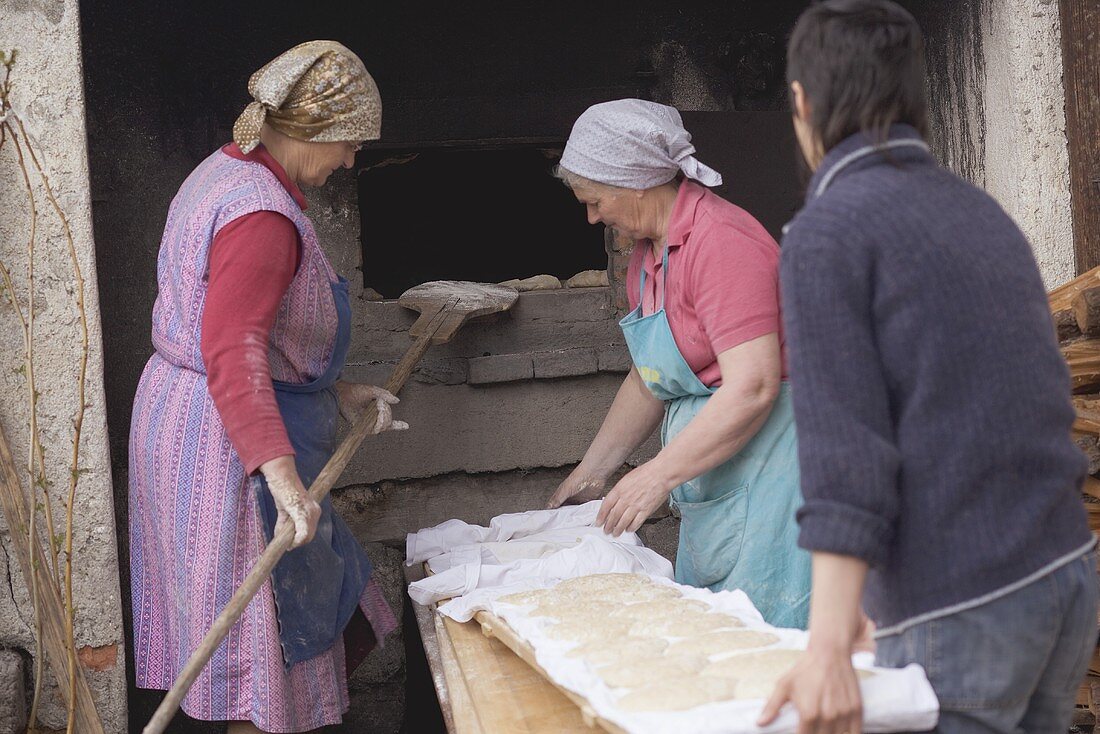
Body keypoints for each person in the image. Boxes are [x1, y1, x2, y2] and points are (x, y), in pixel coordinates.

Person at [759, 3, 1099, 732]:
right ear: (913, 98)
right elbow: (1032, 395)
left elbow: (845, 456)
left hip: (960, 602)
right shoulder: (979, 211)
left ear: (801, 103)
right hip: (1063, 575)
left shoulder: (826, 232)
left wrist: (825, 644)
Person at [129, 41, 408, 733]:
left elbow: (244, 326)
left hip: (194, 410)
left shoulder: (228, 172)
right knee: (267, 646)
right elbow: (231, 348)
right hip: (227, 444)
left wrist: (340, 392)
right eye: (347, 143)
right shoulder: (262, 218)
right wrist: (281, 480)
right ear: (309, 128)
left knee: (281, 627)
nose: (350, 160)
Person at [547, 99, 811, 628]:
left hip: (775, 480)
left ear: (637, 182)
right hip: (715, 483)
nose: (592, 216)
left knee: (764, 646)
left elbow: (753, 386)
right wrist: (593, 471)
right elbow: (653, 377)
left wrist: (655, 476)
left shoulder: (721, 242)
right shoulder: (649, 255)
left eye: (596, 200)